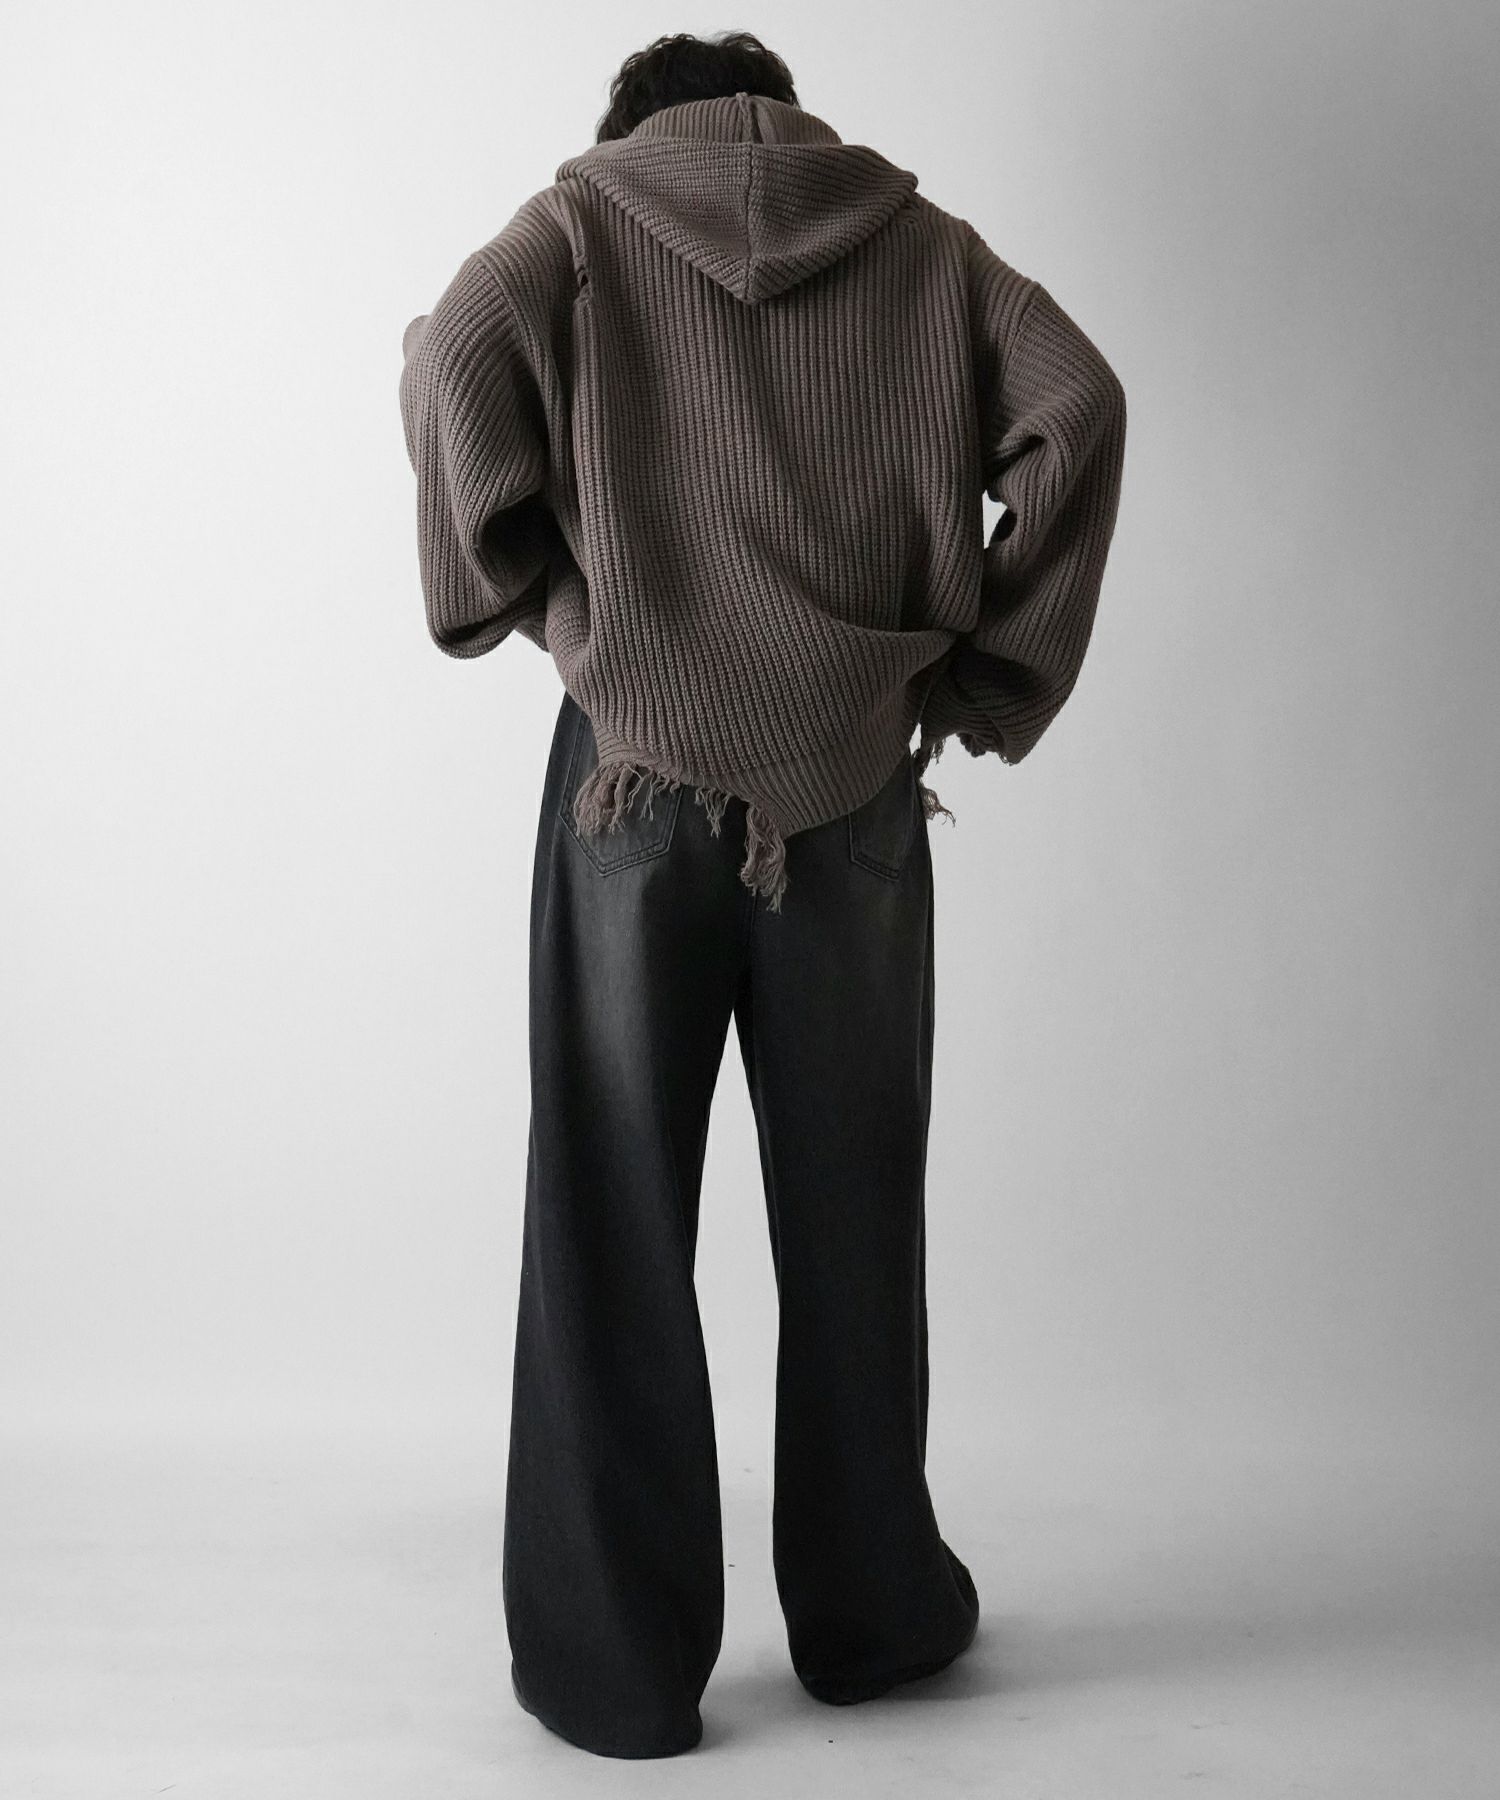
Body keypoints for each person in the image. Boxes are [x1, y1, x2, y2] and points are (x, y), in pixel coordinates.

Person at [398, 29, 1126, 1760]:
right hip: (852, 796)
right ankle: (872, 1619)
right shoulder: (922, 246)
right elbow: (1079, 404)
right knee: (855, 1213)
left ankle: (615, 1672)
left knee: (610, 1214)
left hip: (631, 791)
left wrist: (543, 604)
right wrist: (983, 674)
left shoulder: (582, 223)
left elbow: (455, 356)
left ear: (630, 134)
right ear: (791, 122)